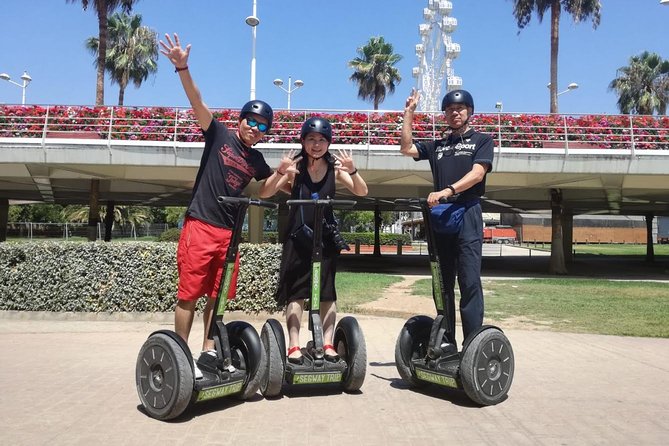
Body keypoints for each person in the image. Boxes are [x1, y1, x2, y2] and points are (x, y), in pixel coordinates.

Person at [159, 33, 286, 376]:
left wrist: (285, 172)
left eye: (262, 126)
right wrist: (182, 67)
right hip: (201, 224)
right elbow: (196, 100)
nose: (255, 128)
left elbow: (265, 191)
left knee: (217, 295)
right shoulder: (219, 134)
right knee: (189, 293)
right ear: (241, 119)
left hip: (229, 235)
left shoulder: (257, 160)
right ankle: (180, 355)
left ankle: (207, 351)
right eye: (251, 121)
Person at [260, 117, 368, 364]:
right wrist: (281, 172)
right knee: (296, 293)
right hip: (298, 239)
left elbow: (362, 191)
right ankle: (294, 345)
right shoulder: (294, 166)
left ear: (328, 143)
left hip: (326, 239)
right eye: (311, 139)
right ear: (303, 141)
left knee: (328, 293)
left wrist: (352, 169)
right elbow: (265, 192)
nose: (316, 145)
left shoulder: (334, 168)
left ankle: (328, 343)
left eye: (321, 140)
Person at [400, 88, 494, 352]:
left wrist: (448, 191)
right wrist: (409, 113)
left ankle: (473, 344)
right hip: (441, 217)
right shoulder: (437, 146)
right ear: (445, 115)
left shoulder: (482, 140)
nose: (455, 112)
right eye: (451, 109)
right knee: (441, 282)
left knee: (469, 281)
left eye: (461, 109)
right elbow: (405, 148)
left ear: (470, 112)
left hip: (467, 212)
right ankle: (447, 340)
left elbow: (477, 174)